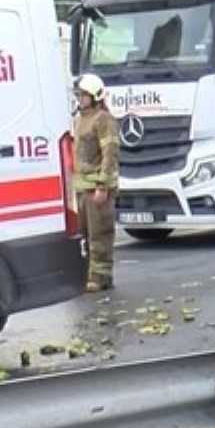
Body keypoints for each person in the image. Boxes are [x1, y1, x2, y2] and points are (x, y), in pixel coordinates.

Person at [72, 73, 120, 292]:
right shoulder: (80, 119)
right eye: (79, 95)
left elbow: (109, 154)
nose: (80, 99)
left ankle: (101, 278)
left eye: (84, 95)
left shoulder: (103, 119)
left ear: (95, 96)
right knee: (87, 235)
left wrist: (102, 186)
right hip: (82, 188)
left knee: (100, 234)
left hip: (97, 190)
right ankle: (92, 274)